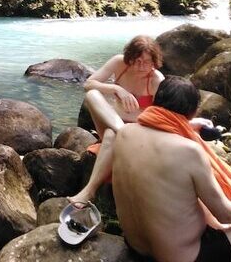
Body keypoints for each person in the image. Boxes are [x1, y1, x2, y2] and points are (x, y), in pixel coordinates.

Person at [112, 76, 231, 262]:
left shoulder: (124, 134)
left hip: (137, 247)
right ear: (192, 113)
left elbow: (157, 133)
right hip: (187, 257)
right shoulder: (188, 151)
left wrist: (187, 127)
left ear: (156, 101)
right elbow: (226, 214)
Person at [68, 35, 167, 205]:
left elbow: (161, 117)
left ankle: (89, 191)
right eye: (137, 61)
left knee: (110, 136)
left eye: (147, 62)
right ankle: (120, 131)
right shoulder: (118, 63)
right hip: (115, 123)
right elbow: (88, 84)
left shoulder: (156, 79)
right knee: (92, 95)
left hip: (139, 133)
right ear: (129, 58)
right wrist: (116, 89)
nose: (142, 66)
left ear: (154, 61)